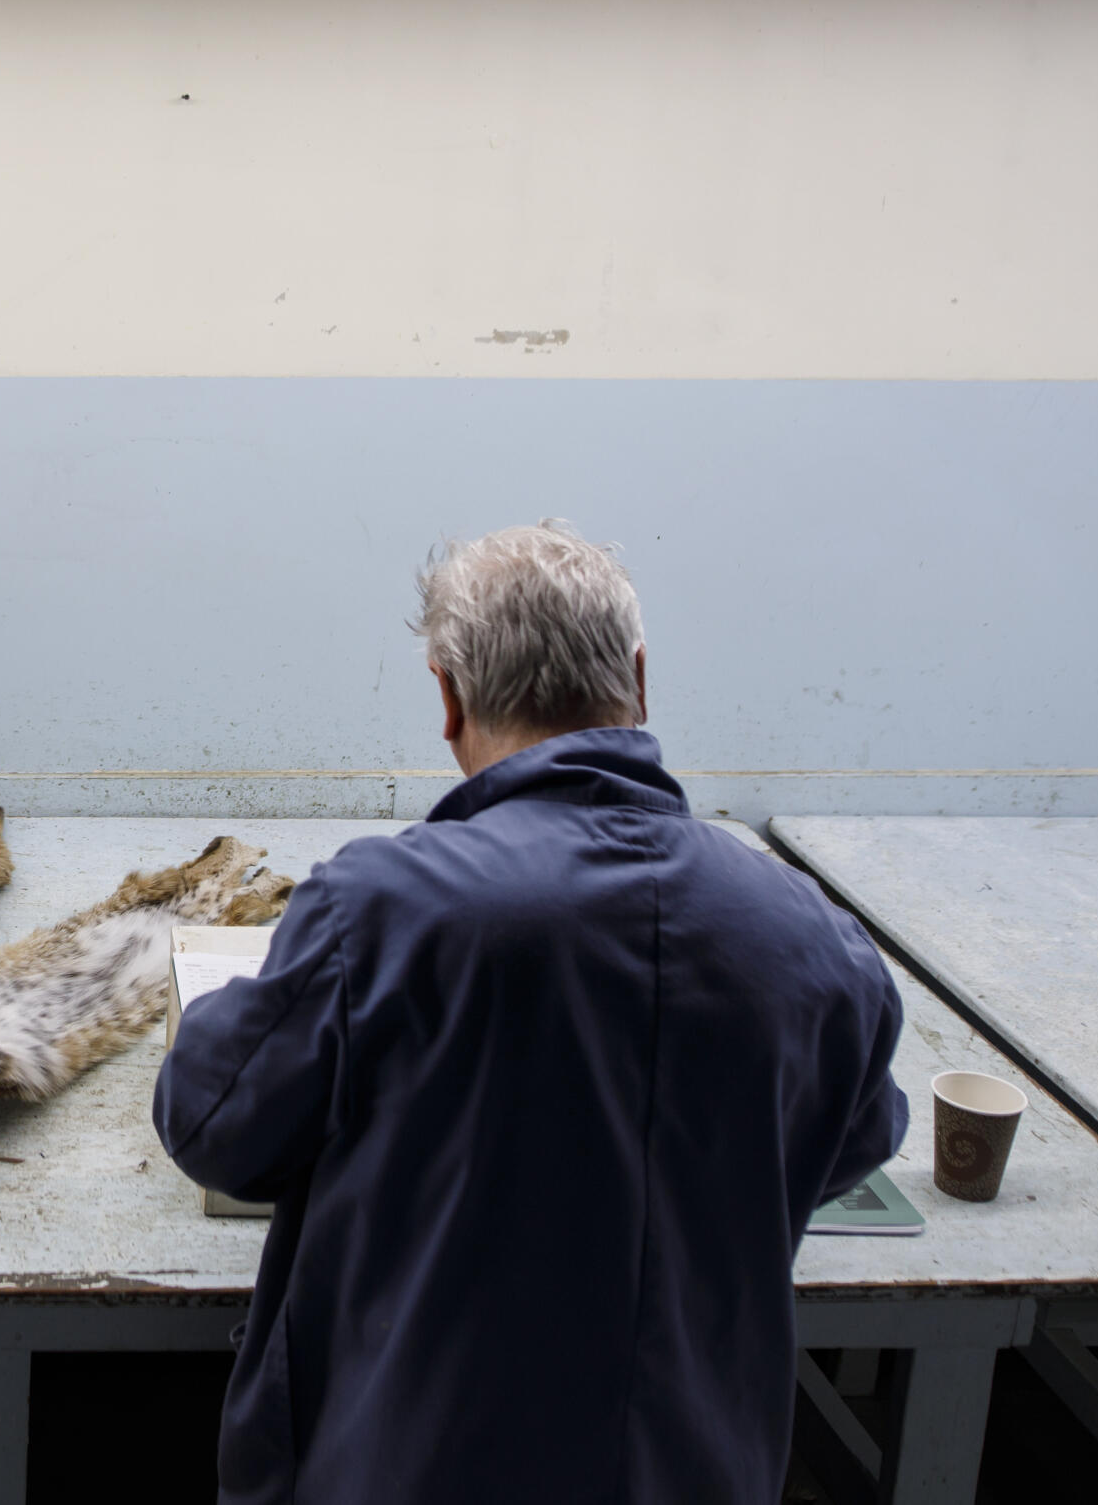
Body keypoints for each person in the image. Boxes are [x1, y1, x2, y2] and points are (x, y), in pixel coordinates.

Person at [154, 520, 909, 1504]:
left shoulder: (380, 911)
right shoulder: (813, 940)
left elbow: (213, 1128)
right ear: (636, 683)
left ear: (447, 697)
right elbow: (849, 1140)